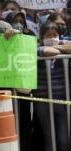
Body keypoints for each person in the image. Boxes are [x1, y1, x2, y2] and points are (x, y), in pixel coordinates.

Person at [33, 22, 71, 151]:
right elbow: (46, 51)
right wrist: (61, 48)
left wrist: (59, 46)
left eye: (55, 35)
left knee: (63, 140)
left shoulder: (62, 44)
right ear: (42, 38)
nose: (52, 38)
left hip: (62, 99)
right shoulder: (36, 49)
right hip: (43, 102)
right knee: (50, 140)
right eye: (48, 36)